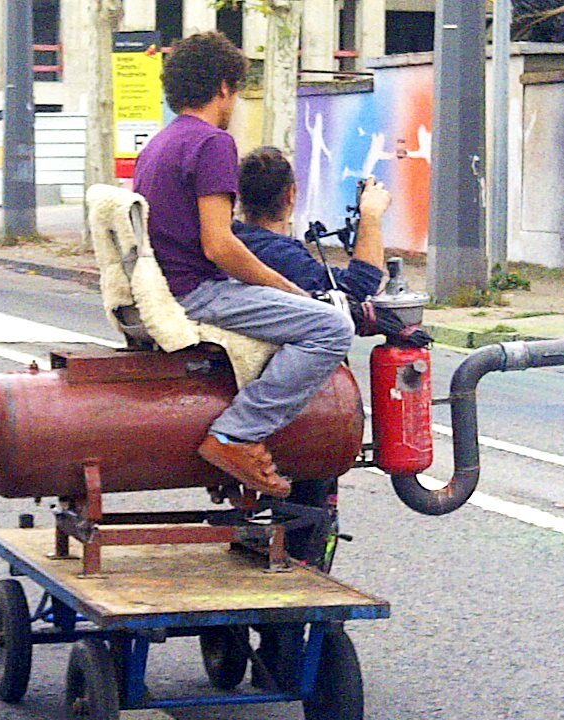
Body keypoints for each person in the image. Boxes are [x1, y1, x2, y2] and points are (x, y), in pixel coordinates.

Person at [133, 31, 354, 500]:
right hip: (199, 293)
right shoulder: (212, 143)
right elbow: (219, 246)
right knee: (332, 327)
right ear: (224, 87)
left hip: (172, 286)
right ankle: (236, 434)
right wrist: (288, 291)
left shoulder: (159, 144)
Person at [234, 145, 391, 302]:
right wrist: (371, 216)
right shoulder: (280, 254)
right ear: (291, 194)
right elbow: (357, 288)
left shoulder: (227, 239)